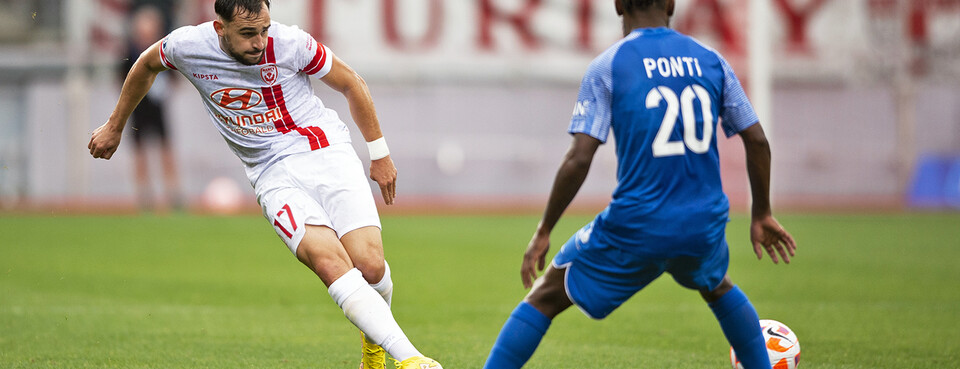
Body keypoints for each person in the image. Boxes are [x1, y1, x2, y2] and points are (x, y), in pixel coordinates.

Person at [87, 1, 442, 368]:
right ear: (220, 28)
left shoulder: (291, 43)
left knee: (370, 266)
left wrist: (379, 153)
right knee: (327, 262)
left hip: (325, 151)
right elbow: (145, 64)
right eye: (247, 34)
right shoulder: (187, 46)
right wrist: (115, 124)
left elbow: (351, 82)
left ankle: (373, 353)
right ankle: (412, 360)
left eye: (264, 30)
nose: (259, 42)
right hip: (271, 173)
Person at [482, 0, 797, 368]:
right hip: (702, 224)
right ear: (671, 4)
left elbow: (580, 157)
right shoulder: (711, 60)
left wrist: (545, 229)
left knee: (545, 297)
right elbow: (757, 140)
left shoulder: (610, 65)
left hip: (638, 224)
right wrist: (761, 212)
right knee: (716, 284)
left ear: (617, 5)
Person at [122, 5, 183, 212]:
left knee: (166, 150)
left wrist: (164, 88)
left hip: (158, 107)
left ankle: (172, 194)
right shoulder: (129, 53)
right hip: (138, 109)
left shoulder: (162, 53)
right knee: (140, 152)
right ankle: (144, 195)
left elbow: (175, 78)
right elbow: (121, 80)